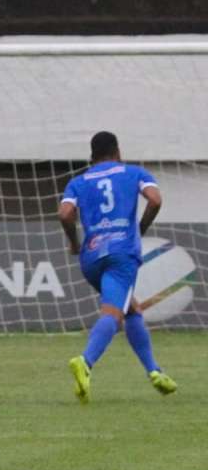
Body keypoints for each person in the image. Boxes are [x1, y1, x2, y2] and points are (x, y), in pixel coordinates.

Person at [58, 131, 177, 402]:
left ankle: (155, 372)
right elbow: (155, 200)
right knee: (113, 313)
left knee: (131, 308)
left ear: (92, 156)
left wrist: (74, 242)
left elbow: (65, 214)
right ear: (118, 151)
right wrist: (140, 228)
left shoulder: (78, 182)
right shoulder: (134, 173)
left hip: (91, 258)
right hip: (121, 254)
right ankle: (85, 361)